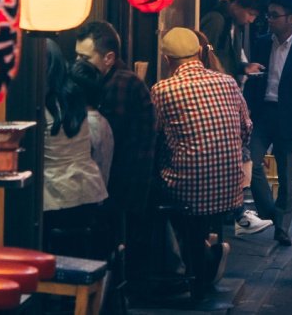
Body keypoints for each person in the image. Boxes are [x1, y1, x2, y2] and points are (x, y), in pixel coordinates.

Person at [151, 27, 252, 302]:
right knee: (197, 218)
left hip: (187, 187)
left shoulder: (162, 89)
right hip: (231, 186)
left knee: (154, 195)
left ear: (167, 59)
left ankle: (193, 264)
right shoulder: (228, 82)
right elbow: (246, 129)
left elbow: (154, 134)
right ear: (199, 52)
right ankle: (208, 255)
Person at [74, 22, 154, 287]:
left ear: (108, 57)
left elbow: (109, 140)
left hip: (121, 186)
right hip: (118, 184)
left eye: (84, 58)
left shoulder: (121, 83)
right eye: (76, 56)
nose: (77, 63)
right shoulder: (113, 80)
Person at [240, 0, 292, 246]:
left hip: (289, 117)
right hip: (262, 113)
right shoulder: (261, 42)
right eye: (268, 14)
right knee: (250, 160)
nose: (269, 19)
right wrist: (246, 108)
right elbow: (252, 79)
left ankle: (282, 227)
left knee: (287, 174)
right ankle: (269, 210)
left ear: (291, 18)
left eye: (274, 15)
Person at [43, 51, 110, 259]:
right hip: (88, 193)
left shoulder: (42, 105)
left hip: (56, 198)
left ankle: (49, 289)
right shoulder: (74, 99)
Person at [200, 0, 260, 81]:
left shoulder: (235, 25)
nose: (251, 20)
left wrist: (245, 67)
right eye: (250, 14)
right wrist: (212, 53)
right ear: (236, 5)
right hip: (213, 81)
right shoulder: (216, 19)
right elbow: (207, 46)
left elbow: (228, 60)